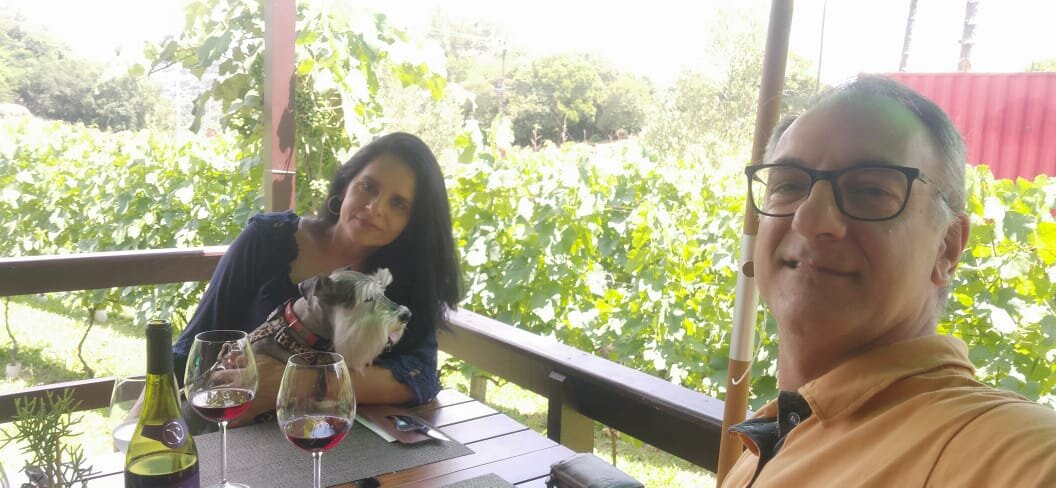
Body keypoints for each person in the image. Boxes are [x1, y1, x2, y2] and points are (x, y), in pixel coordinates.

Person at [722, 75, 1056, 486]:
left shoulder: (1007, 450)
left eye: (870, 190)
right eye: (788, 184)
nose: (809, 219)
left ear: (947, 247)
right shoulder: (782, 431)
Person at [173, 132, 462, 406]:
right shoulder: (268, 240)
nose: (375, 208)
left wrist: (302, 381)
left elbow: (420, 377)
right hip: (234, 428)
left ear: (412, 222)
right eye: (368, 187)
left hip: (344, 433)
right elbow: (193, 349)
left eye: (398, 203)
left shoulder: (407, 281)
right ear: (346, 185)